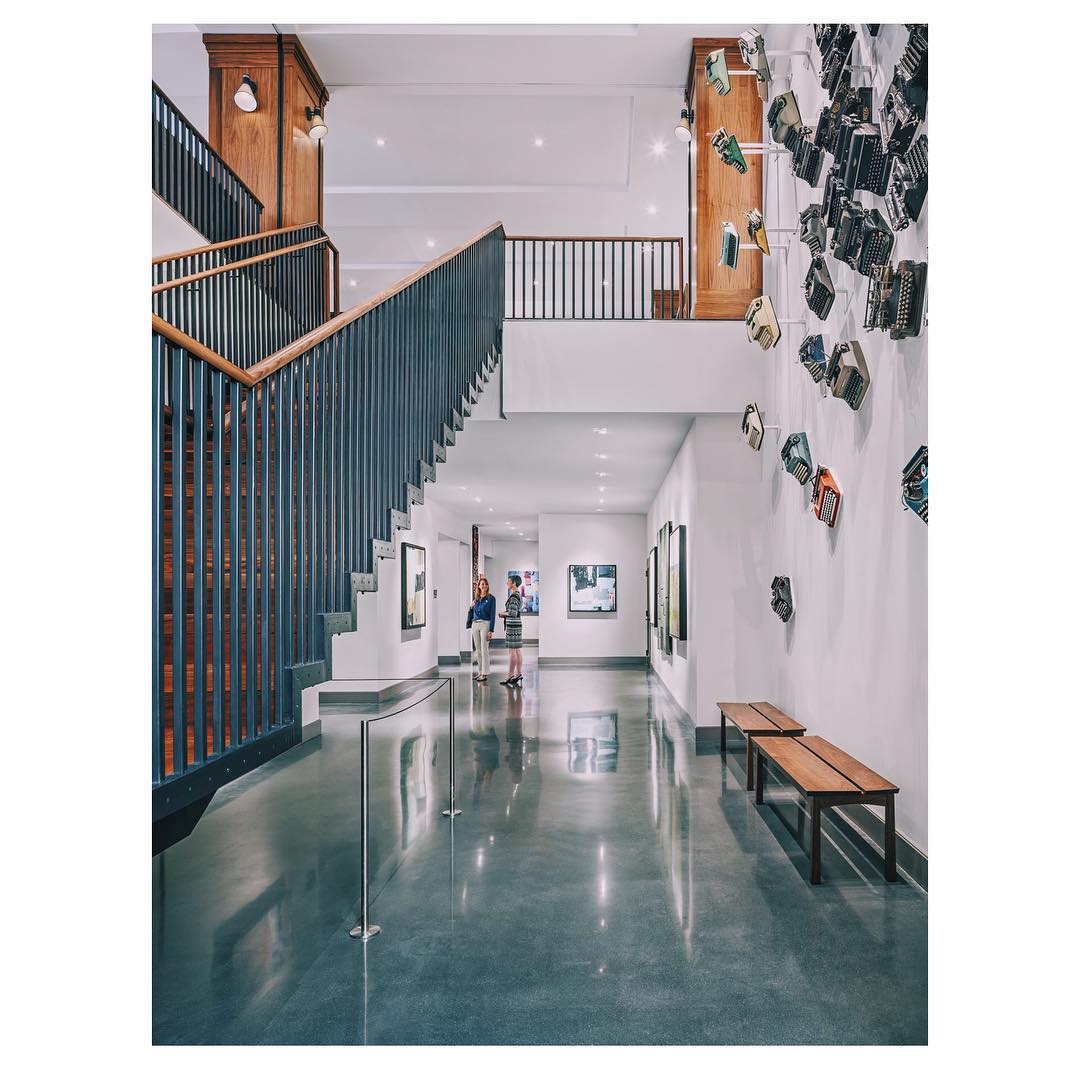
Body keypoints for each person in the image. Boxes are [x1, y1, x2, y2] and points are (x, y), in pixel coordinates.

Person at [469, 576, 496, 682]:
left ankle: (485, 673)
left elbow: (493, 615)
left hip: (485, 624)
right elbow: (472, 612)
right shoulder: (476, 599)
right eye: (482, 584)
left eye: (485, 584)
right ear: (479, 586)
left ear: (487, 586)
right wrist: (471, 606)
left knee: (484, 649)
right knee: (478, 650)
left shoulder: (491, 598)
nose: (484, 586)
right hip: (475, 624)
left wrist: (491, 630)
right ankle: (480, 671)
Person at [499, 575, 524, 686]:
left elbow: (512, 613)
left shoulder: (514, 596)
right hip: (516, 625)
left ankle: (510, 675)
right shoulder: (518, 595)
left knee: (512, 652)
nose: (507, 583)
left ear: (513, 583)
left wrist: (502, 614)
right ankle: (518, 673)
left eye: (508, 581)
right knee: (517, 650)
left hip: (513, 626)